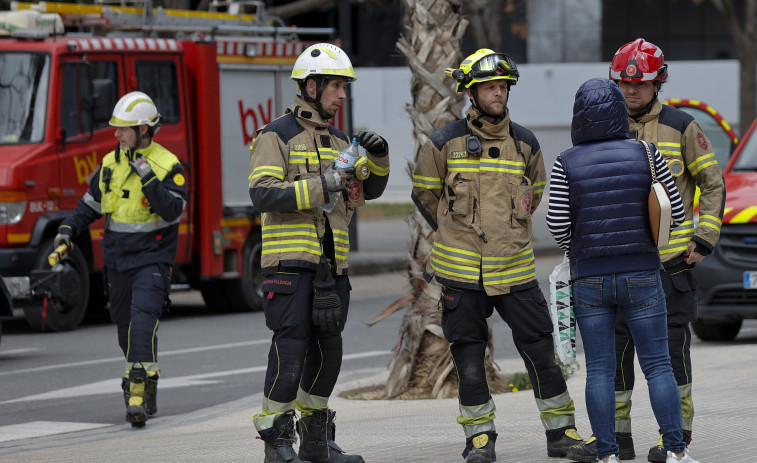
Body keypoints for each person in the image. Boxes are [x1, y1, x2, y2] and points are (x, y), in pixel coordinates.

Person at [411, 48, 584, 463]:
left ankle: (561, 432)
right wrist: (451, 231)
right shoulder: (442, 142)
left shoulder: (526, 142)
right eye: (489, 87)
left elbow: (535, 193)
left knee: (540, 350)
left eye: (503, 87)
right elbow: (425, 193)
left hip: (515, 270)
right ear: (471, 93)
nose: (498, 94)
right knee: (468, 357)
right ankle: (479, 439)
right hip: (462, 272)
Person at [566, 38, 726, 463]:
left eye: (641, 84)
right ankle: (618, 442)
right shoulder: (602, 127)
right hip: (625, 267)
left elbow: (711, 183)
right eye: (623, 83)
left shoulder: (681, 126)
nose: (630, 91)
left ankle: (675, 439)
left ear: (659, 83)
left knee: (671, 358)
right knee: (615, 362)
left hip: (670, 266)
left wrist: (703, 239)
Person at [248, 43, 389, 463]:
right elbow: (262, 193)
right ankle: (277, 443)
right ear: (311, 86)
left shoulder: (342, 140)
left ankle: (315, 441)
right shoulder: (276, 134)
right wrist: (322, 184)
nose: (342, 94)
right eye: (336, 85)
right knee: (290, 352)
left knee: (329, 355)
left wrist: (378, 157)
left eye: (344, 86)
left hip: (333, 269)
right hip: (290, 267)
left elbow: (369, 190)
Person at [546, 77, 700, 463]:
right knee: (659, 365)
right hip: (644, 275)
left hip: (589, 278)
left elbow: (556, 222)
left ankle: (607, 454)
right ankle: (675, 450)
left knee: (599, 370)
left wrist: (578, 250)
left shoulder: (566, 161)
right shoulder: (647, 153)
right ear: (617, 111)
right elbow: (676, 213)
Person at [54, 91, 187, 427]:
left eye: (123, 129)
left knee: (143, 324)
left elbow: (173, 211)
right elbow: (89, 206)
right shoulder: (110, 164)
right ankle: (149, 379)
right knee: (126, 331)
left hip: (152, 261)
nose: (116, 135)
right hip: (117, 263)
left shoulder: (168, 164)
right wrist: (68, 229)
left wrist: (148, 177)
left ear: (144, 130)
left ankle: (137, 394)